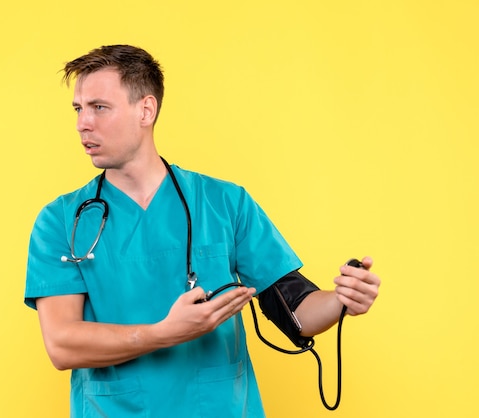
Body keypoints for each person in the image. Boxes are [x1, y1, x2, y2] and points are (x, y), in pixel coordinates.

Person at [24, 44, 381, 418]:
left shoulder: (224, 202)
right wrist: (163, 333)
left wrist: (342, 301)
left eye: (99, 107)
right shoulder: (61, 221)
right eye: (78, 109)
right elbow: (63, 345)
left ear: (146, 110)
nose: (83, 122)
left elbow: (295, 308)